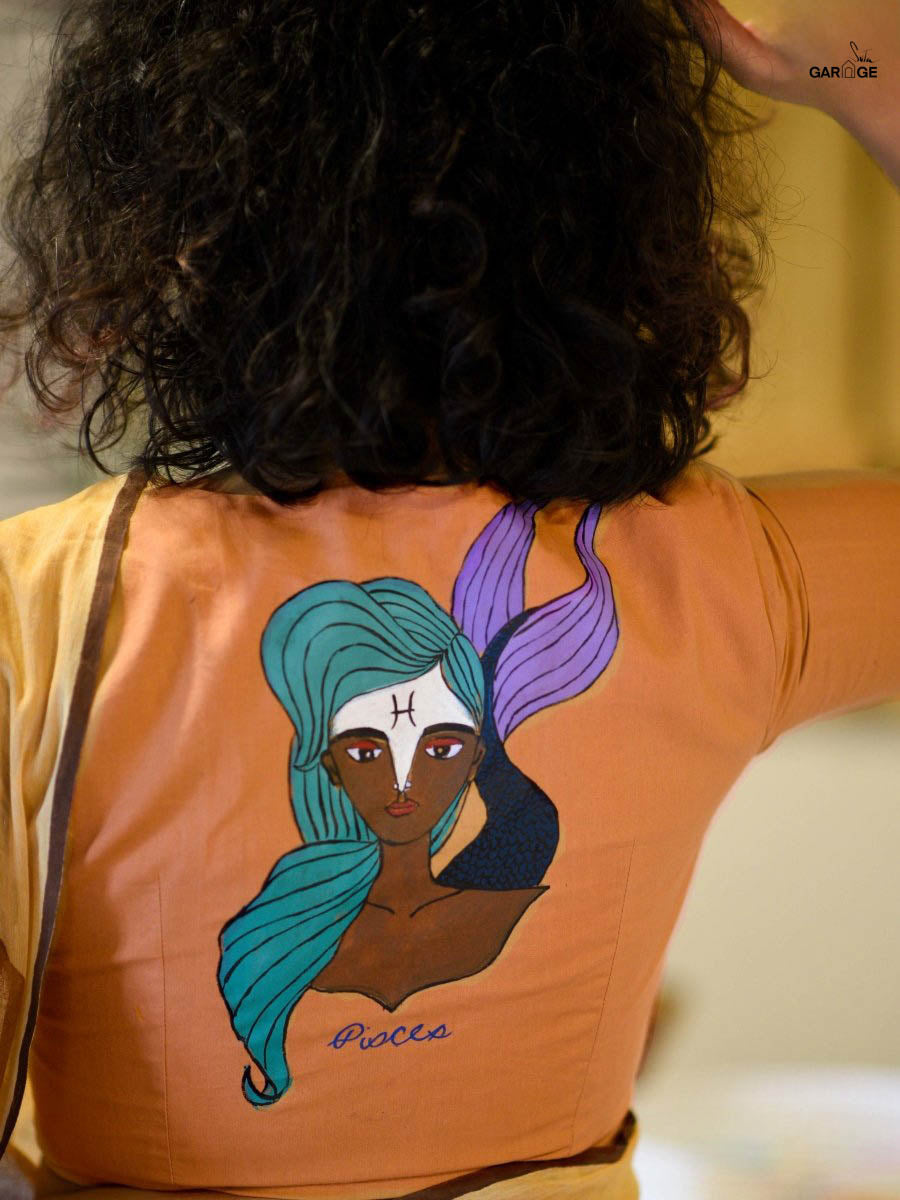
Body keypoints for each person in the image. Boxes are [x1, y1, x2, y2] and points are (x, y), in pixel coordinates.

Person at [0, 0, 897, 1197]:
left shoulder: (39, 618)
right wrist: (873, 81)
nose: (407, 779)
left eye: (442, 743)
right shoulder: (718, 576)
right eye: (366, 745)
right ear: (620, 227)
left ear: (184, 239)